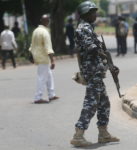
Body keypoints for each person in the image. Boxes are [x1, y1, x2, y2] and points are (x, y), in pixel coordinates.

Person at [70, 1, 120, 147]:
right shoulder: (83, 28)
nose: (96, 15)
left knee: (104, 103)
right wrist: (106, 57)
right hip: (92, 72)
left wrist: (109, 65)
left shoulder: (88, 28)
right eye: (93, 12)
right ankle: (78, 135)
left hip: (96, 71)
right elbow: (91, 49)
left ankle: (103, 134)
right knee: (91, 104)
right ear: (86, 14)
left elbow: (97, 51)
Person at [29, 14, 59, 104]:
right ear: (47, 22)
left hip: (38, 56)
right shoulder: (45, 32)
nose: (48, 22)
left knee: (49, 76)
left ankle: (51, 94)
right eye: (48, 20)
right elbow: (48, 47)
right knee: (42, 77)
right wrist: (52, 60)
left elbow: (32, 45)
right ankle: (38, 97)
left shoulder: (36, 31)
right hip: (43, 57)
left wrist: (31, 55)